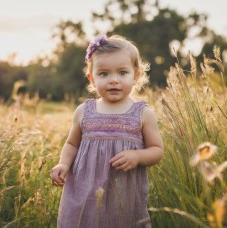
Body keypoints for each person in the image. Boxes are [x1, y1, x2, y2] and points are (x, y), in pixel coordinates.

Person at [50, 34, 164, 228]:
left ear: (135, 75)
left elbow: (157, 151)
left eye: (122, 73)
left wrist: (137, 156)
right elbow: (71, 144)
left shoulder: (143, 114)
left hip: (123, 196)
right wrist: (63, 164)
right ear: (91, 78)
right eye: (104, 74)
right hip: (85, 194)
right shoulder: (84, 111)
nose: (113, 80)